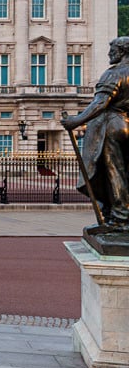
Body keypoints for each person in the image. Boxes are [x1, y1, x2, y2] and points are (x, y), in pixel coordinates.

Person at [62, 36, 129, 230]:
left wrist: (76, 120)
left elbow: (100, 103)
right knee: (125, 172)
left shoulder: (114, 73)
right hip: (126, 125)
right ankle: (112, 213)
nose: (109, 54)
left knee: (112, 172)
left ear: (122, 52)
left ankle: (120, 218)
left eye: (113, 50)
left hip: (112, 126)